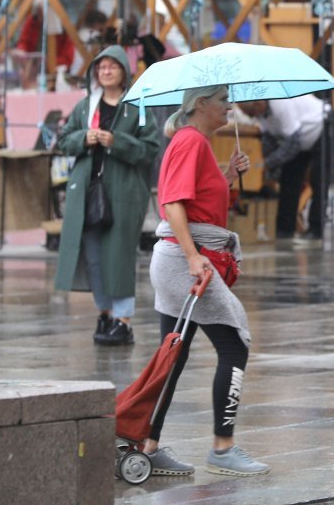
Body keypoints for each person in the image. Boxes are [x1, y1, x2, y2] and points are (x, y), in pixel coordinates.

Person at [146, 84, 269, 477]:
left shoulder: (194, 143)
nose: (229, 106)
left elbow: (197, 200)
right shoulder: (191, 141)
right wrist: (192, 256)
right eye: (222, 100)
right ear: (200, 105)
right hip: (187, 261)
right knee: (235, 344)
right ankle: (222, 447)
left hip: (182, 258)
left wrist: (227, 176)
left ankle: (146, 445)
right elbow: (173, 203)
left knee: (174, 355)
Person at [54, 45, 160, 346]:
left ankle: (123, 320)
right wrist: (82, 138)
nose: (106, 71)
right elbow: (64, 141)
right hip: (86, 193)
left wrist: (117, 142)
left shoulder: (138, 108)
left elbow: (150, 149)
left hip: (123, 194)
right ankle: (105, 312)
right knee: (94, 257)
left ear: (125, 72)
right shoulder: (86, 107)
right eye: (101, 67)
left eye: (113, 66)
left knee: (120, 255)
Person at [236, 96, 330, 242]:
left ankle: (316, 230)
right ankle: (285, 230)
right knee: (289, 181)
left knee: (319, 181)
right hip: (302, 138)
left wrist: (268, 163)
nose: (252, 117)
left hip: (323, 126)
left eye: (252, 113)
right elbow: (269, 139)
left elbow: (293, 141)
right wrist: (263, 163)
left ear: (259, 103)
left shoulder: (280, 103)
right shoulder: (260, 112)